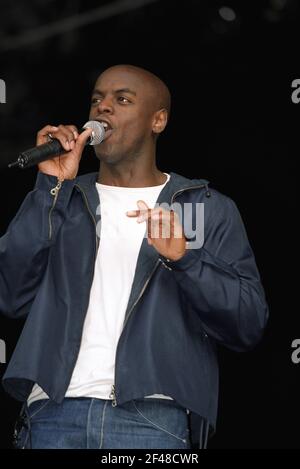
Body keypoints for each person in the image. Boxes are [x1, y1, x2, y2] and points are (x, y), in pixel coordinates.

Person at [0, 64, 269, 449]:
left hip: (152, 418)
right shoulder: (66, 200)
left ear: (157, 120)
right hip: (51, 414)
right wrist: (50, 189)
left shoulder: (201, 208)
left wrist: (186, 260)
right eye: (97, 100)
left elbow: (247, 323)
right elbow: (10, 293)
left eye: (121, 100)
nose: (102, 108)